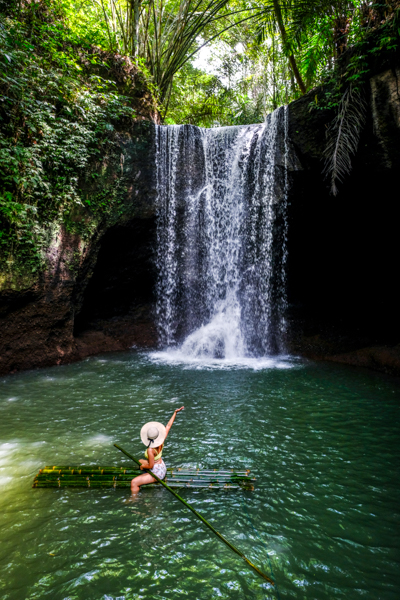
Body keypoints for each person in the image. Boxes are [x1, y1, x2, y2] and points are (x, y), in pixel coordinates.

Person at [130, 407, 184, 493]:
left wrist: (143, 466)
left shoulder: (150, 450)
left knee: (134, 482)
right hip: (162, 467)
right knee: (140, 460)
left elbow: (150, 466)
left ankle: (134, 499)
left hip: (157, 473)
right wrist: (175, 413)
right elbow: (168, 426)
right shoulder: (161, 440)